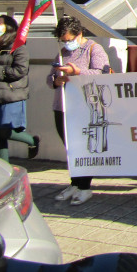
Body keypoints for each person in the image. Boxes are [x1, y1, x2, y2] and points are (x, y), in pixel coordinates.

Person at [47, 16, 111, 206]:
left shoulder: (93, 49)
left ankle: (85, 186)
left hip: (84, 108)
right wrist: (55, 81)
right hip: (63, 106)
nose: (67, 43)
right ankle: (75, 183)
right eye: (63, 40)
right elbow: (50, 78)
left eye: (69, 39)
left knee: (84, 147)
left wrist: (77, 73)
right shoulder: (62, 52)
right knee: (70, 148)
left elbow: (102, 73)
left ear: (79, 34)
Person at [0, 15, 38, 163]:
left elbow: (20, 71)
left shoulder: (18, 48)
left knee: (5, 130)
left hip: (11, 94)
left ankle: (32, 141)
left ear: (8, 27)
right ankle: (4, 165)